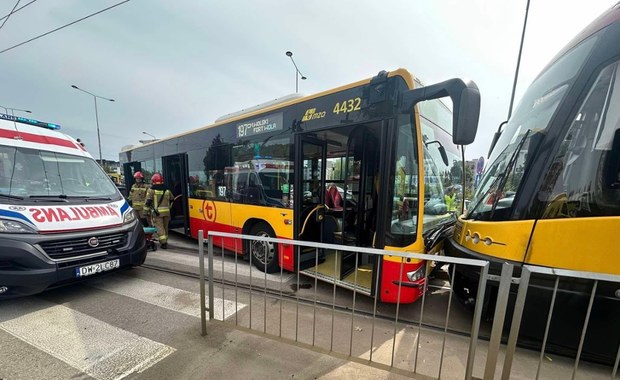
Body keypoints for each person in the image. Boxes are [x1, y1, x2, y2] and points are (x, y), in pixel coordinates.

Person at [145, 172, 174, 249]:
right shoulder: (167, 190)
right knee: (165, 227)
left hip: (157, 213)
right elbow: (172, 199)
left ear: (153, 181)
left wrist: (145, 212)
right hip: (167, 213)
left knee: (160, 228)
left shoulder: (151, 190)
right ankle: (165, 240)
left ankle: (163, 243)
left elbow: (148, 202)